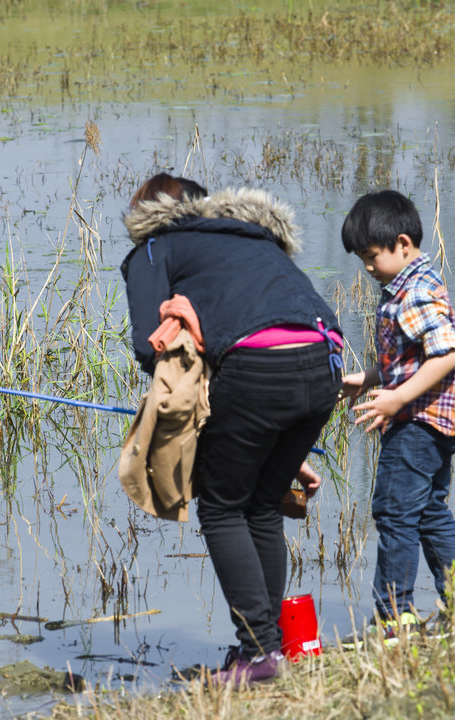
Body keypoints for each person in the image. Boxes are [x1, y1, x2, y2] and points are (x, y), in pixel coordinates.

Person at [121, 173, 343, 684]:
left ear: (145, 216)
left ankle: (259, 654)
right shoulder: (254, 236)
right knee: (262, 507)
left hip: (258, 370)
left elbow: (147, 345)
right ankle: (274, 650)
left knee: (221, 508)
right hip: (324, 359)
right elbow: (276, 319)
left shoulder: (156, 245)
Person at [338, 189, 455, 647]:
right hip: (440, 421)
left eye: (372, 257)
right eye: (362, 260)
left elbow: (446, 354)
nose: (368, 268)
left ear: (402, 243)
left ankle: (395, 618)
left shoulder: (413, 292)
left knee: (394, 512)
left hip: (419, 421)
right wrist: (369, 377)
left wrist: (395, 401)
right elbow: (412, 358)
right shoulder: (415, 283)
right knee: (429, 511)